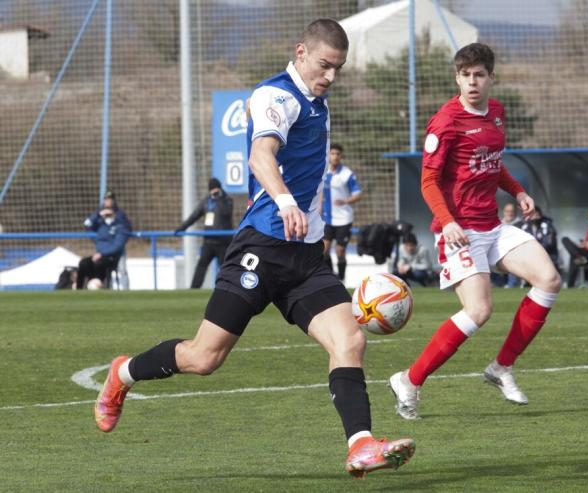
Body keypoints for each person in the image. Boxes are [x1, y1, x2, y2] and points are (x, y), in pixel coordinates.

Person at [93, 19, 414, 478]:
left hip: (305, 259)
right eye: (325, 65)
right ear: (301, 52)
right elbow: (261, 154)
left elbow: (311, 178)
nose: (331, 76)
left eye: (338, 69)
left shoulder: (319, 104)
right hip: (260, 250)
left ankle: (360, 445)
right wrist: (285, 201)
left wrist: (315, 228)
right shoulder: (275, 97)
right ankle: (122, 373)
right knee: (205, 358)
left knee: (351, 340)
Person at [387, 43, 561, 420]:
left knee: (548, 279)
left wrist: (518, 190)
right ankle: (410, 381)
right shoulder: (445, 122)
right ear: (457, 78)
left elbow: (493, 164)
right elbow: (429, 182)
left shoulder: (496, 113)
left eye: (479, 75)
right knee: (479, 311)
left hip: (492, 226)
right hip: (459, 230)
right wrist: (447, 222)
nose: (472, 82)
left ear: (491, 78)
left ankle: (501, 368)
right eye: (465, 75)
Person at [175, 177, 234, 288]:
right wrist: (182, 227)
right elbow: (194, 216)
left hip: (223, 242)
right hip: (209, 241)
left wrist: (219, 198)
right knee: (201, 266)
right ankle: (194, 289)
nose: (214, 192)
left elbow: (226, 212)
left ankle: (226, 288)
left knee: (225, 268)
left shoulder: (227, 200)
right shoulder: (206, 201)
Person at [320, 143, 362, 280]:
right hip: (327, 219)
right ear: (328, 155)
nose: (335, 157)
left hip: (344, 218)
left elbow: (358, 194)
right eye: (332, 154)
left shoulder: (347, 174)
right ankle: (332, 277)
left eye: (337, 154)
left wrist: (345, 201)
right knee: (324, 250)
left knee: (340, 250)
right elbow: (319, 191)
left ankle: (342, 278)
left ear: (341, 156)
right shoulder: (323, 171)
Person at [77, 190, 131, 289]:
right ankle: (79, 289)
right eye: (106, 199)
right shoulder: (100, 219)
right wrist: (98, 214)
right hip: (101, 253)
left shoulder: (120, 217)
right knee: (84, 263)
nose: (108, 202)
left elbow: (121, 239)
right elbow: (87, 224)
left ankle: (122, 290)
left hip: (114, 254)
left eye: (110, 199)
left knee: (121, 269)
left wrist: (103, 253)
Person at [491, 202, 521, 287]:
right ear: (504, 212)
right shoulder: (498, 225)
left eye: (511, 211)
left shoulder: (520, 224)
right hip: (499, 253)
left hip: (514, 253)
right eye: (507, 211)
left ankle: (511, 285)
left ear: (515, 212)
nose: (509, 213)